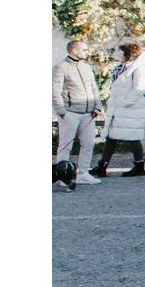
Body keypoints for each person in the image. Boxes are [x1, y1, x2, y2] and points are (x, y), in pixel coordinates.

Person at [90, 43, 145, 179]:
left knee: (133, 137)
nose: (118, 55)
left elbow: (140, 89)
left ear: (128, 54)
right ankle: (102, 166)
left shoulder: (139, 70)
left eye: (121, 52)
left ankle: (139, 166)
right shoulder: (122, 68)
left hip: (130, 109)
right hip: (119, 109)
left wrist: (125, 102)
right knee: (111, 137)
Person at [54, 40, 103, 185]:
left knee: (88, 144)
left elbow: (94, 88)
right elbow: (54, 92)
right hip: (70, 113)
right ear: (74, 51)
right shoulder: (60, 68)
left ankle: (83, 173)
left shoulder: (86, 67)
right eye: (84, 49)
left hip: (88, 114)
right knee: (65, 145)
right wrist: (62, 113)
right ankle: (63, 175)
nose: (87, 51)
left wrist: (98, 106)